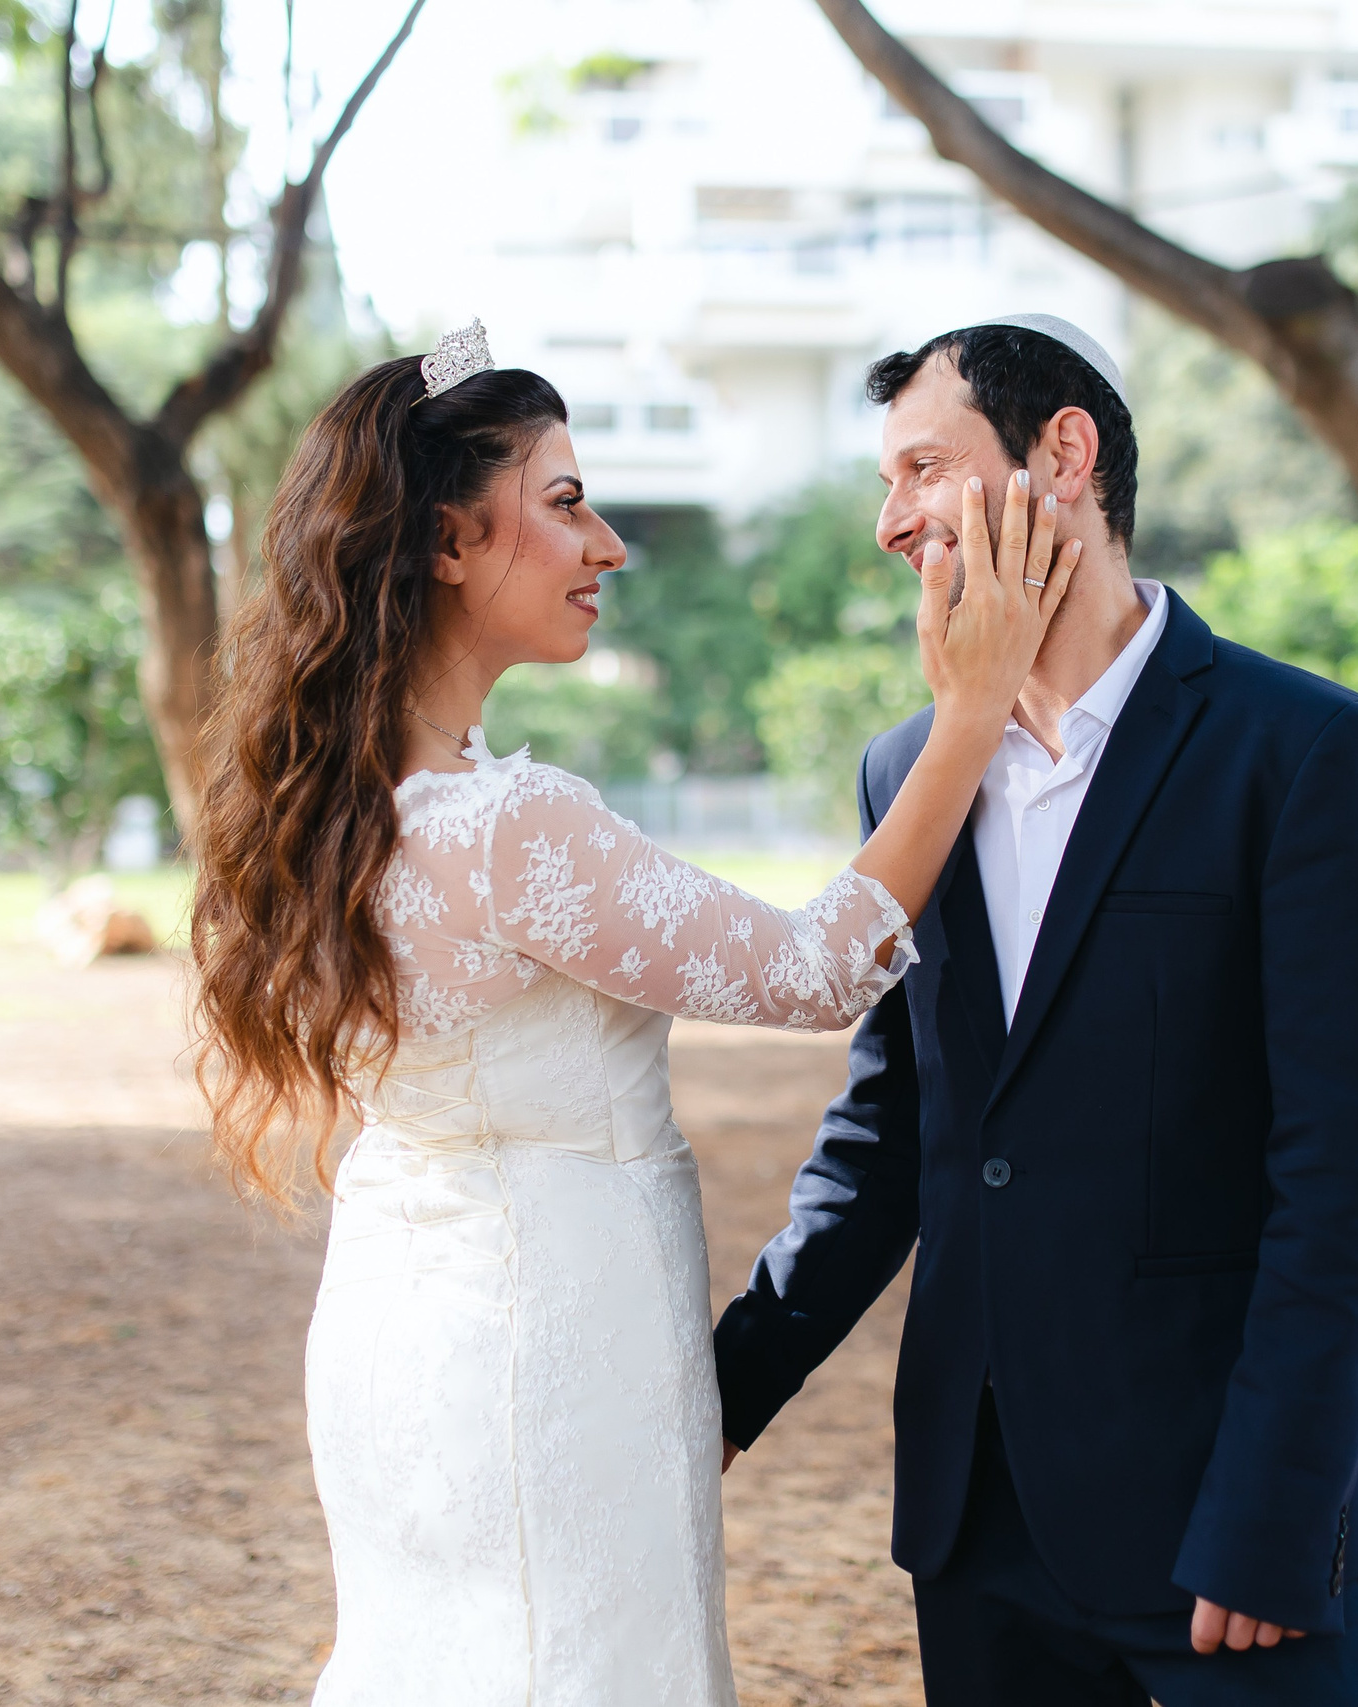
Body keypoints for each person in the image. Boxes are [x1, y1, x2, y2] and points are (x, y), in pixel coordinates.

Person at [188, 320, 1079, 1707]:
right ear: (443, 543)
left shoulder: (335, 812)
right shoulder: (507, 826)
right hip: (549, 1349)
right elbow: (814, 971)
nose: (606, 544)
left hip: (400, 1340)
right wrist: (967, 714)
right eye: (563, 504)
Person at [712, 315, 1358, 1706]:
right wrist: (722, 1391)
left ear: (1065, 453)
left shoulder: (1311, 754)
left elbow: (1346, 1178)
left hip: (1224, 1524)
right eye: (886, 485)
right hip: (975, 1522)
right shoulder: (906, 773)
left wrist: (1279, 1511)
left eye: (923, 468)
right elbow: (888, 1139)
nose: (891, 522)